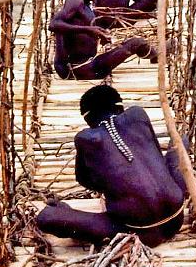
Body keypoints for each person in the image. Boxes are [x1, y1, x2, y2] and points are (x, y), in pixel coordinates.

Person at [36, 85, 186, 246]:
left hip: (138, 231)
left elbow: (85, 180)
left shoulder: (86, 138)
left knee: (46, 218)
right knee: (178, 145)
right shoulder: (137, 114)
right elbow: (157, 155)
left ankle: (67, 213)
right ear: (120, 106)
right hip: (177, 216)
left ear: (87, 119)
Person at [49, 0, 157, 80]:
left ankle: (155, 54)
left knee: (132, 43)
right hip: (80, 69)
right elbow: (53, 24)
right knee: (136, 43)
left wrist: (98, 35)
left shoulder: (85, 2)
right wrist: (90, 30)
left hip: (80, 66)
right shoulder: (76, 0)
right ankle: (157, 55)